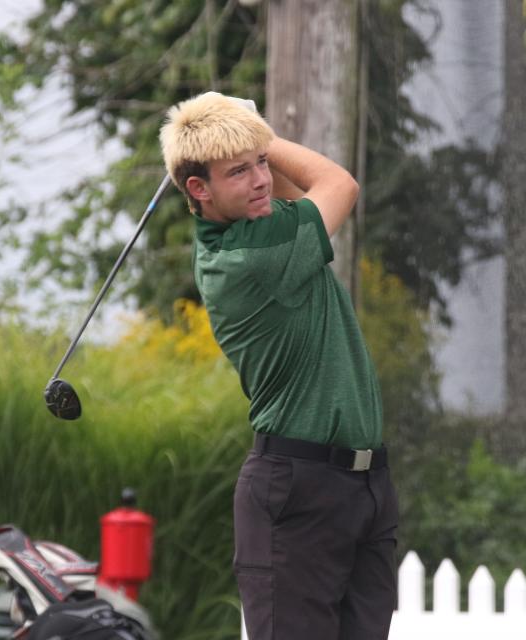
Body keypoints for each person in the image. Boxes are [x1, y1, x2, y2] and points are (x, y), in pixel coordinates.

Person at [159, 92, 398, 640]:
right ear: (199, 189)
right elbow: (339, 185)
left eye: (261, 162)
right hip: (300, 489)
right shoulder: (251, 254)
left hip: (364, 485)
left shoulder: (265, 225)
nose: (261, 179)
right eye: (238, 171)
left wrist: (237, 132)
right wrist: (257, 132)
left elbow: (292, 192)